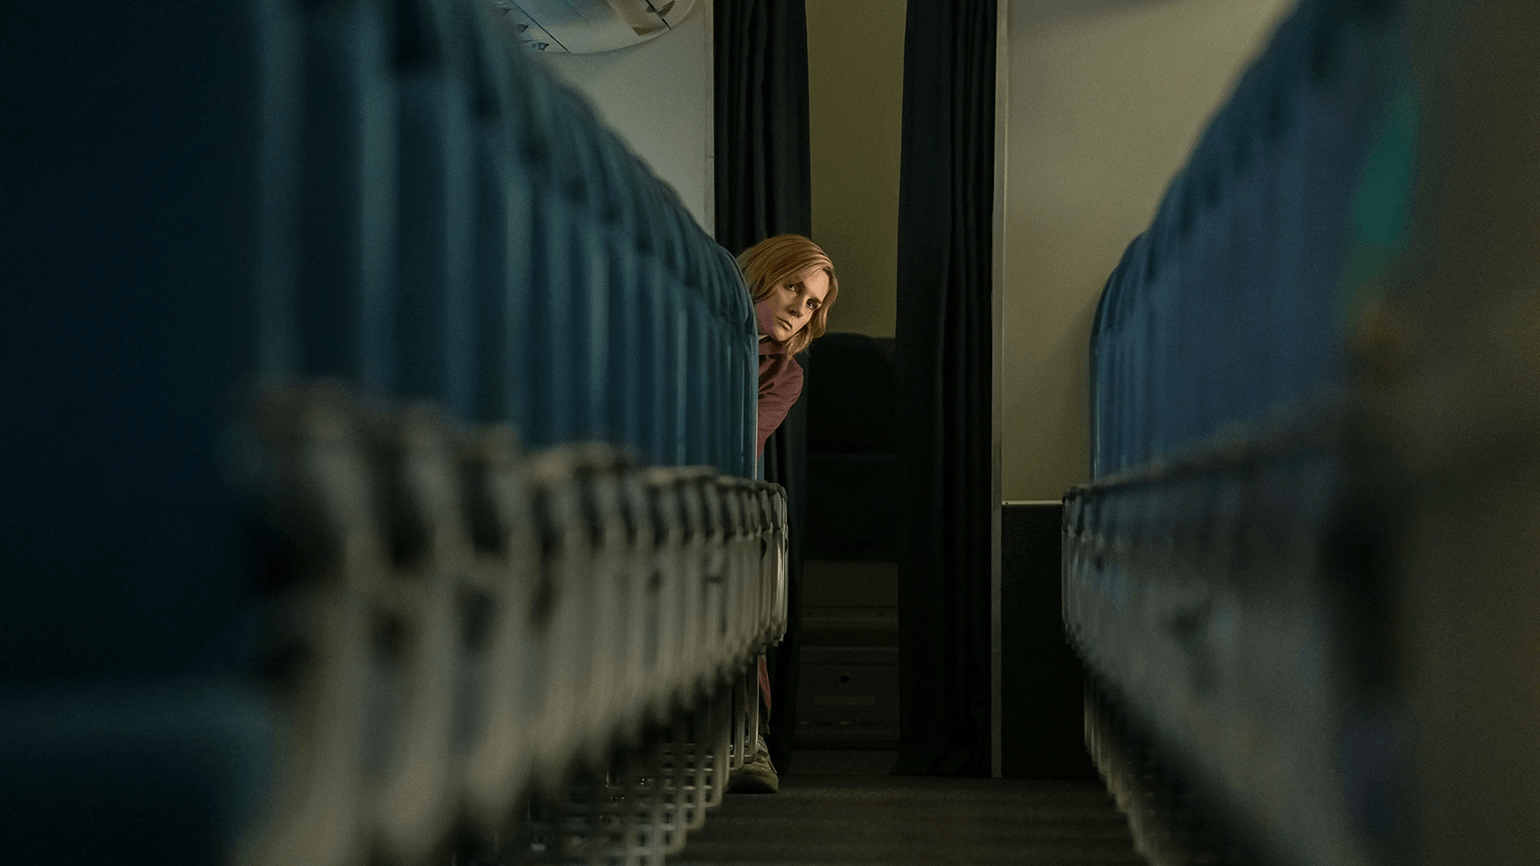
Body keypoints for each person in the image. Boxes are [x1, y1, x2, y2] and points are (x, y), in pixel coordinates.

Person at [730, 234, 838, 794]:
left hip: (718, 503)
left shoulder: (784, 374)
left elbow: (734, 443)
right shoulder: (684, 325)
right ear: (761, 275)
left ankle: (749, 738)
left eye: (813, 302)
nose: (801, 308)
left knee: (740, 575)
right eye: (793, 286)